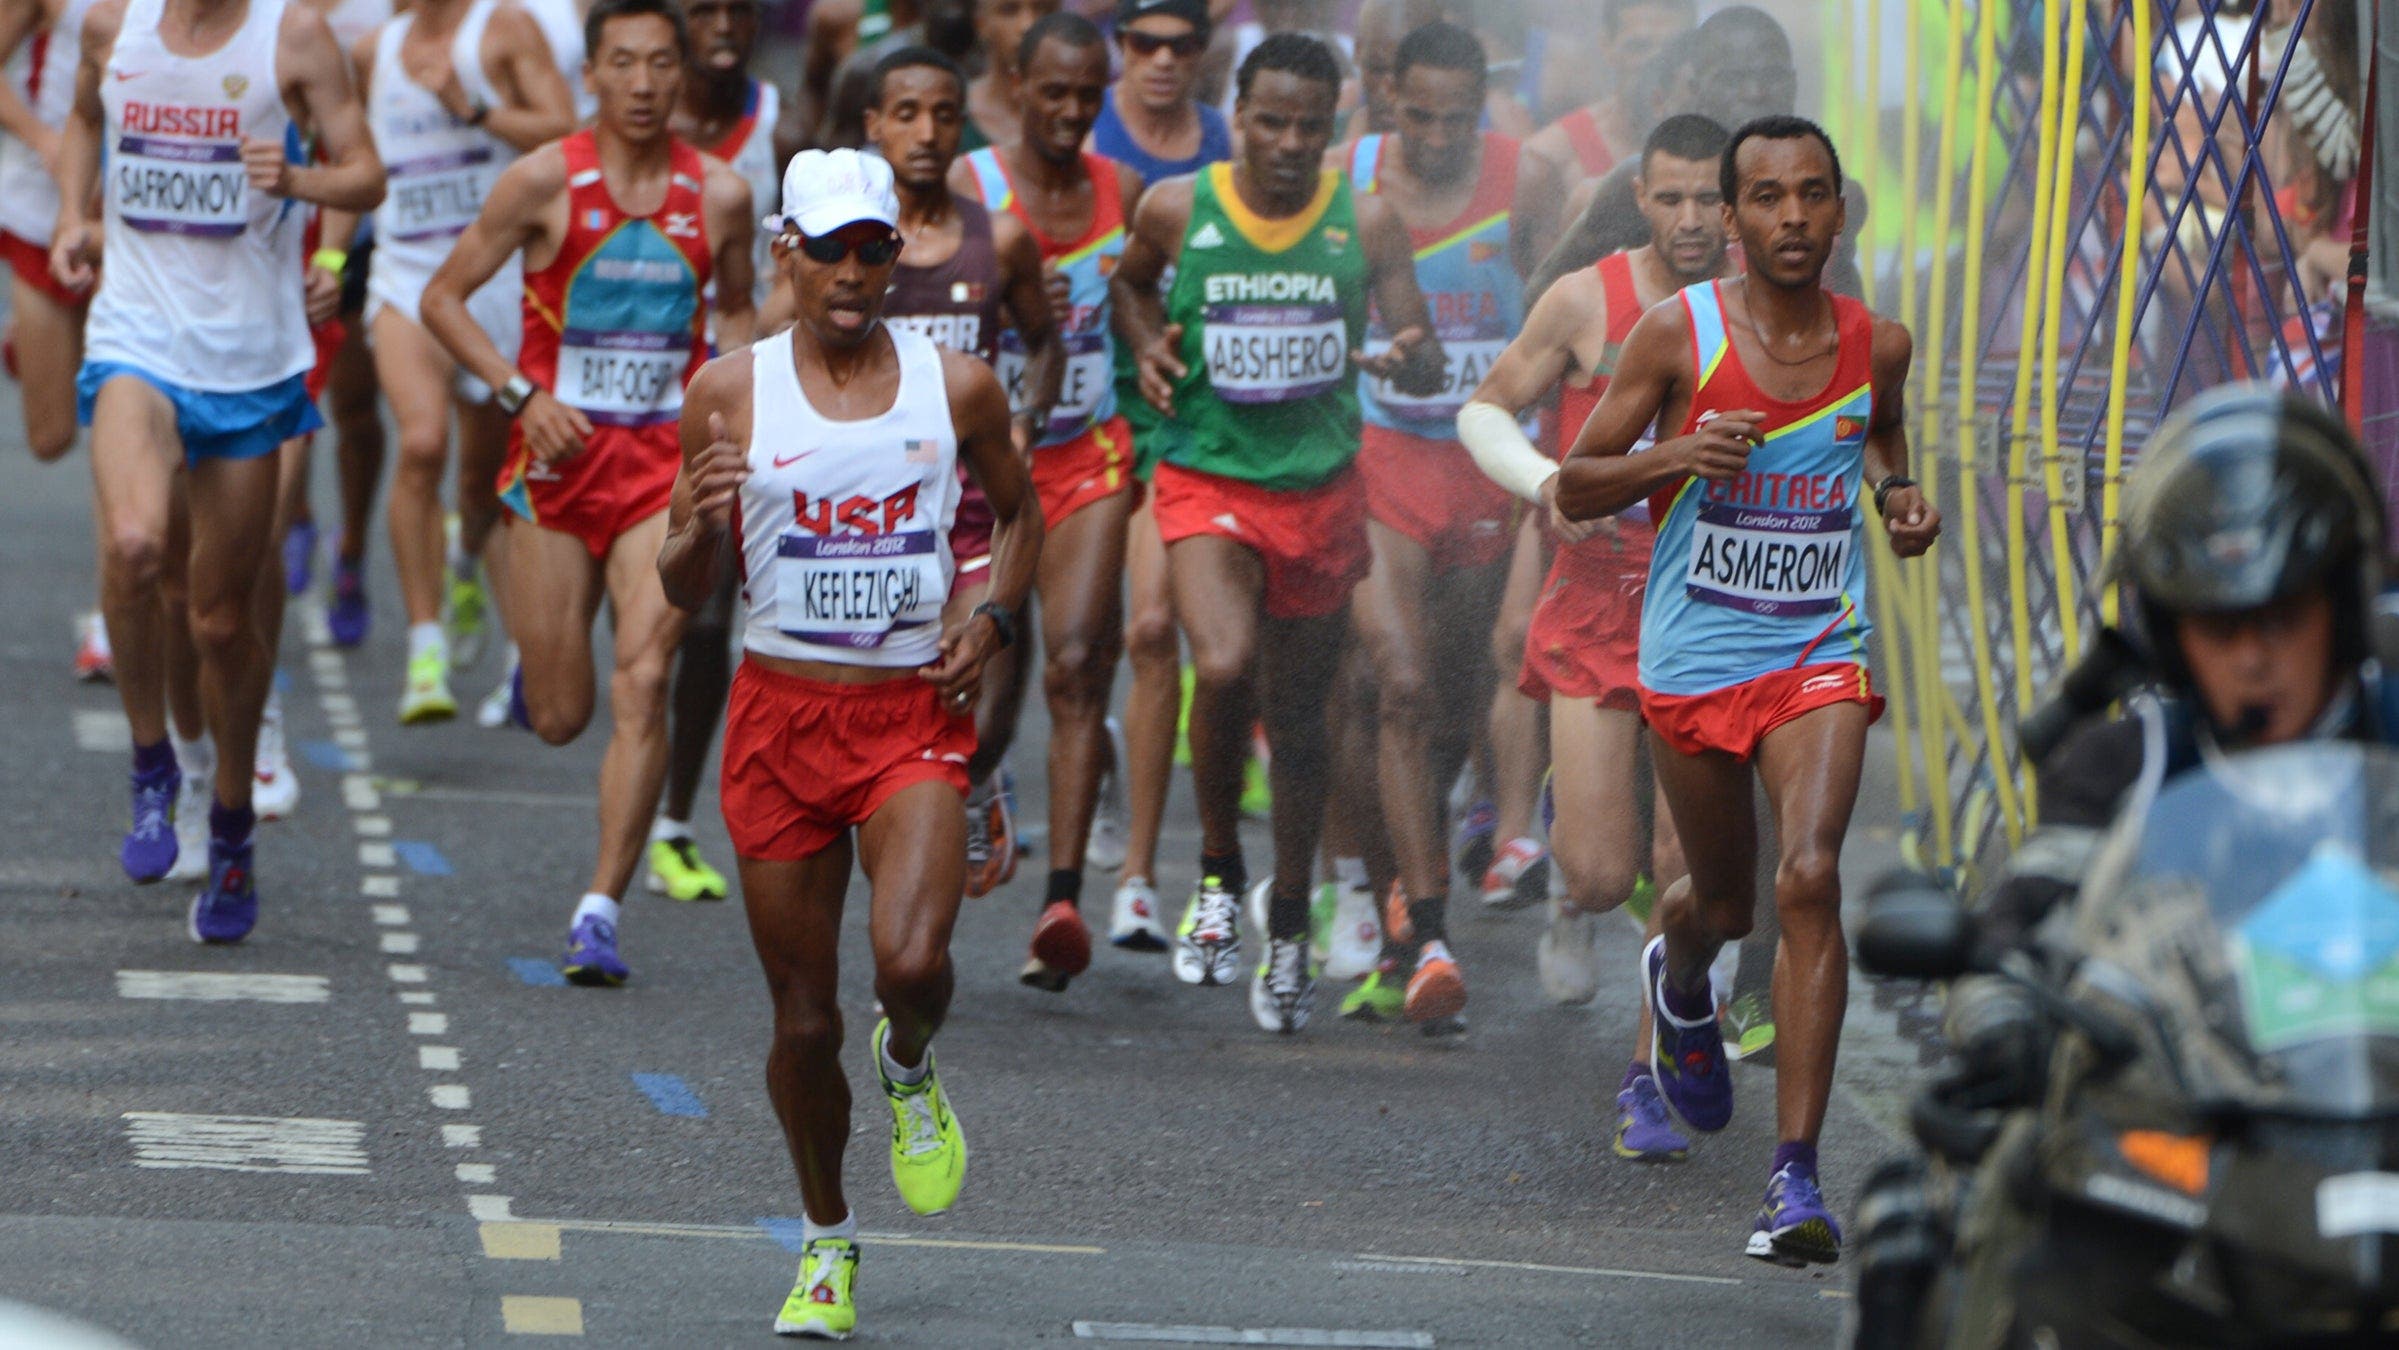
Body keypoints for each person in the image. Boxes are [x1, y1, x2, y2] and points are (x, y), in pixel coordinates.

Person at [658, 145, 1039, 1341]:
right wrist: (694, 525)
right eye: (830, 247)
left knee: (911, 964)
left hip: (908, 715)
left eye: (876, 247)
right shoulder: (727, 391)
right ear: (787, 252)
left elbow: (1021, 515)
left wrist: (991, 614)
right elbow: (682, 588)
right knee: (803, 1018)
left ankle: (912, 1066)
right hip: (777, 718)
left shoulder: (956, 385)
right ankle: (827, 1239)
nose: (855, 269)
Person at [1554, 114, 1938, 1263]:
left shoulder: (1877, 342)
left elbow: (1880, 438)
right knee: (1718, 908)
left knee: (1808, 876)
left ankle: (1793, 1182)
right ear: (1728, 220)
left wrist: (1899, 495)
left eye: (1810, 195)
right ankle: (1678, 972)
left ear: (1837, 210)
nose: (1789, 217)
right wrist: (1677, 456)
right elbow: (1575, 485)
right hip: (1694, 658)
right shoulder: (1678, 334)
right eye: (1764, 197)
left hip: (1816, 646)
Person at [1112, 32, 1444, 1033]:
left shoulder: (1367, 221)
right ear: (1237, 118)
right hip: (1206, 475)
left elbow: (1419, 350)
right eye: (1270, 121)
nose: (1289, 143)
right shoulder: (1178, 208)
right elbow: (1126, 283)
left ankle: (1290, 916)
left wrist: (1408, 360)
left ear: (1335, 124)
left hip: (1318, 490)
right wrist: (1146, 348)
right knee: (1219, 665)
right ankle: (1218, 876)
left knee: (1300, 727)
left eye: (1309, 125)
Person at [420, 0, 755, 986]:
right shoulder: (542, 181)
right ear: (595, 77)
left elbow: (734, 309)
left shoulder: (722, 195)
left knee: (647, 674)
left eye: (661, 63)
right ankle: (531, 644)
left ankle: (598, 907)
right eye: (624, 64)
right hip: (557, 474)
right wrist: (522, 397)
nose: (645, 84)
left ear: (681, 74)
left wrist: (734, 407)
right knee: (563, 714)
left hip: (662, 472)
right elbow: (441, 298)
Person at [52, 0, 384, 937]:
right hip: (137, 338)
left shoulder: (296, 36)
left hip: (251, 360)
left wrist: (304, 179)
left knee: (221, 620)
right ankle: (156, 766)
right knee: (133, 543)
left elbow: (368, 177)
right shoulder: (111, 26)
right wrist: (77, 215)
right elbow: (85, 118)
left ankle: (232, 825)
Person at [1459, 110, 1730, 1160]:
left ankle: (1645, 1074)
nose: (1692, 218)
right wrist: (1547, 482)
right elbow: (1484, 409)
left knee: (1684, 865)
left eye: (1711, 197)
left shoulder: (1764, 308)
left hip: (1709, 612)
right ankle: (1568, 901)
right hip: (1595, 606)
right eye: (1670, 197)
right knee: (1595, 872)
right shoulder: (1586, 299)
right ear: (1638, 198)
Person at [1331, 20, 1555, 1021]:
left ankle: (1408, 866)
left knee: (1459, 704)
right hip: (1380, 459)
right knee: (1400, 686)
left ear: (1481, 106)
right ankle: (1422, 932)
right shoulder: (1349, 176)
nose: (1433, 135)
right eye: (1415, 114)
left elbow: (1565, 308)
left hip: (1487, 467)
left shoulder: (1526, 176)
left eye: (1453, 118)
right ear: (1387, 104)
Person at [802, 42, 1060, 909]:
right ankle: (906, 814)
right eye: (905, 114)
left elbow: (1045, 340)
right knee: (894, 691)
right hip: (868, 517)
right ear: (871, 126)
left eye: (944, 114)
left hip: (973, 514)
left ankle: (978, 776)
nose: (925, 132)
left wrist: (1025, 417)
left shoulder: (1001, 240)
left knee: (971, 666)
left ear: (964, 125)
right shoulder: (841, 254)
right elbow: (772, 350)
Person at [956, 9, 1140, 990]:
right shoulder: (970, 189)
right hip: (986, 470)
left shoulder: (1125, 191)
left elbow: (1146, 297)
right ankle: (979, 784)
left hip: (1090, 456)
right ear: (1016, 88)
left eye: (1086, 95)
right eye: (1053, 93)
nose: (1071, 112)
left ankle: (1062, 903)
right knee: (983, 702)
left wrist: (1145, 345)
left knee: (1075, 662)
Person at [360, 0, 575, 725]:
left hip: (497, 280)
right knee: (421, 442)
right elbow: (354, 158)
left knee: (486, 483)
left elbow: (566, 128)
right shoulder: (375, 51)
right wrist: (331, 255)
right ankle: (425, 649)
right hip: (407, 274)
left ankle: (468, 552)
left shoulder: (504, 28)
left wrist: (474, 110)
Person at [644, 0, 794, 905]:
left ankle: (672, 817)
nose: (726, 25)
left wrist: (756, 344)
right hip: (622, 405)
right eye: (705, 10)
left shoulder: (777, 122)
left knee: (704, 617)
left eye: (741, 8)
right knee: (617, 650)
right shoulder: (637, 109)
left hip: (728, 395)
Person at [0, 0, 105, 681]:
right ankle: (26, 345)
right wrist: (44, 138)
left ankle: (112, 620)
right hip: (39, 210)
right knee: (50, 438)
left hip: (131, 226)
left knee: (120, 422)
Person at [1516, 0, 1691, 202]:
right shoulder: (1552, 157)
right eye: (1639, 47)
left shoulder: (1720, 138)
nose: (1657, 62)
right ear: (1606, 46)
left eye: (1673, 47)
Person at [1090, 0, 1225, 183]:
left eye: (1182, 46)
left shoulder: (1228, 142)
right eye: (1145, 43)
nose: (1163, 60)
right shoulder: (1084, 124)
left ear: (1201, 50)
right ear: (1122, 43)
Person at [961, 0, 1055, 153]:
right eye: (1009, 10)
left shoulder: (1085, 112)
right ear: (981, 24)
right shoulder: (955, 114)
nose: (1028, 25)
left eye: (1041, 9)